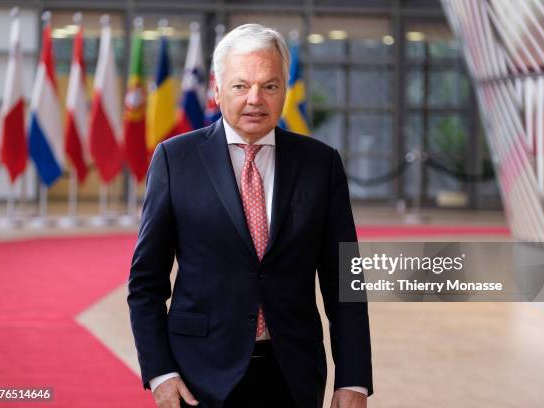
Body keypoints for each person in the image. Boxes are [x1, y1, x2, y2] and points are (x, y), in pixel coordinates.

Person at [128, 23, 372, 408]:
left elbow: (346, 282)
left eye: (269, 86)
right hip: (198, 377)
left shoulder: (320, 164)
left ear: (284, 90)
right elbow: (146, 283)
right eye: (241, 85)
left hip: (294, 374)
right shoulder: (176, 160)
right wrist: (160, 373)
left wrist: (354, 379)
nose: (255, 99)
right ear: (217, 87)